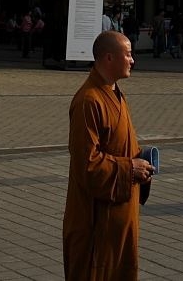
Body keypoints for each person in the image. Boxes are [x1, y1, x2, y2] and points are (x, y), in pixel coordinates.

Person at [63, 30, 154, 280]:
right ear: (109, 58)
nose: (133, 60)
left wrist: (141, 163)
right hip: (96, 223)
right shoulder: (89, 101)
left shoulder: (114, 93)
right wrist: (130, 168)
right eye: (128, 54)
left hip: (118, 218)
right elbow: (87, 165)